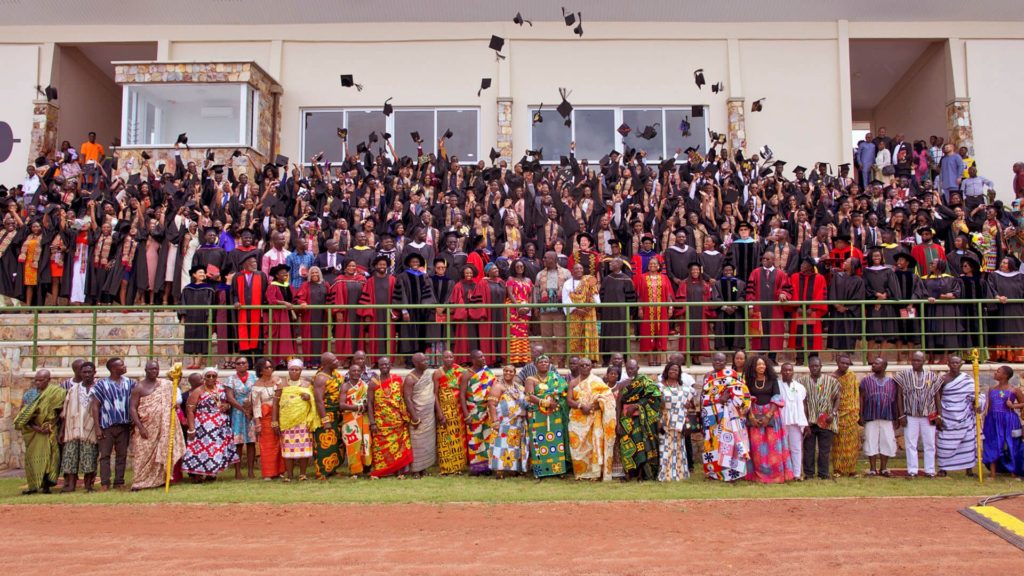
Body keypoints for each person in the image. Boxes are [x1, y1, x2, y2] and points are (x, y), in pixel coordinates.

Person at [128, 360, 184, 490]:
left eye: (156, 369)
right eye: (151, 369)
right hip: (146, 426)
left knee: (163, 450)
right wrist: (140, 427)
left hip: (163, 426)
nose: (154, 371)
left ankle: (159, 480)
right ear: (146, 370)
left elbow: (173, 402)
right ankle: (139, 482)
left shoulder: (166, 385)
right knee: (143, 455)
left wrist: (174, 405)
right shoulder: (139, 387)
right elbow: (132, 408)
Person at [181, 367, 239, 480]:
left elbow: (228, 402)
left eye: (214, 376)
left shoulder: (221, 388)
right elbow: (190, 410)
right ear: (204, 377)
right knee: (200, 450)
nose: (211, 378)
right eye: (208, 376)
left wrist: (227, 406)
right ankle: (196, 475)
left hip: (220, 426)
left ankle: (211, 473)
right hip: (203, 426)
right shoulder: (198, 391)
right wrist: (191, 428)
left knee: (215, 449)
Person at [15, 369, 65, 494]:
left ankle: (46, 486)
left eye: (41, 380)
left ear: (48, 380)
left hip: (50, 431)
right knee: (32, 458)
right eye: (36, 380)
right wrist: (35, 427)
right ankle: (33, 486)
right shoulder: (29, 395)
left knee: (49, 458)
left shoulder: (57, 392)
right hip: (33, 432)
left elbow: (60, 413)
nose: (37, 383)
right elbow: (23, 415)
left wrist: (51, 425)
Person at [700, 356, 750, 482]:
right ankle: (713, 472)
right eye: (715, 360)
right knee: (712, 442)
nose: (718, 362)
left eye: (721, 360)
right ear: (712, 362)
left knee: (728, 443)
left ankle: (731, 473)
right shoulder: (707, 376)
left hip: (728, 415)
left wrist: (728, 396)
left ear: (726, 362)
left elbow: (743, 392)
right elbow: (703, 395)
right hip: (710, 415)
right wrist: (701, 413)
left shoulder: (732, 375)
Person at [744, 355, 793, 483]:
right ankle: (758, 476)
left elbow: (776, 397)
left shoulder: (772, 379)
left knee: (773, 448)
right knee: (757, 448)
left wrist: (768, 415)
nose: (761, 366)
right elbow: (746, 398)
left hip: (771, 415)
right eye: (758, 364)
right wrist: (751, 416)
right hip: (754, 416)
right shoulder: (749, 380)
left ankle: (775, 476)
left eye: (763, 364)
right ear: (753, 367)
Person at [892, 352, 941, 478]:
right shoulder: (903, 375)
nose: (915, 363)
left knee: (930, 443)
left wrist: (939, 415)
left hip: (929, 414)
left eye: (918, 360)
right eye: (913, 360)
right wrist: (901, 415)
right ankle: (912, 471)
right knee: (910, 443)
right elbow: (899, 395)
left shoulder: (932, 376)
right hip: (910, 414)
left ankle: (930, 470)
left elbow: (937, 396)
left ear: (924, 361)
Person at [90, 358, 136, 490]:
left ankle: (119, 482)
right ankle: (105, 483)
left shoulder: (130, 383)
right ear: (113, 369)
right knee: (105, 455)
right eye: (121, 365)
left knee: (122, 455)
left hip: (124, 425)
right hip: (107, 426)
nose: (124, 366)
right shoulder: (101, 385)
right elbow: (95, 407)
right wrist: (97, 427)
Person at [567, 358, 616, 481]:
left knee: (593, 446)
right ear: (578, 367)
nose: (584, 367)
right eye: (582, 365)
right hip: (577, 419)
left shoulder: (597, 381)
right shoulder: (573, 382)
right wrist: (581, 406)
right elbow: (569, 401)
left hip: (594, 418)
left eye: (587, 365)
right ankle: (581, 474)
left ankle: (594, 474)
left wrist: (591, 407)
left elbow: (608, 398)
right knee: (576, 447)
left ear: (591, 367)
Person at [367, 357, 414, 478]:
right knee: (380, 448)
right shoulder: (373, 383)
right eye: (381, 365)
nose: (384, 366)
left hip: (397, 421)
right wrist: (372, 423)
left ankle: (399, 471)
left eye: (386, 364)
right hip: (380, 423)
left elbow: (402, 400)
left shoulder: (397, 379)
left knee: (399, 448)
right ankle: (381, 471)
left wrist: (405, 416)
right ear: (378, 366)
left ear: (390, 365)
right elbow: (370, 404)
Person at [525, 354, 569, 478]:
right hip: (537, 415)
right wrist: (545, 402)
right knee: (538, 441)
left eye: (546, 362)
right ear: (535, 364)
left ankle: (558, 470)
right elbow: (529, 396)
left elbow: (564, 389)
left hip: (554, 413)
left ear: (549, 364)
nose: (544, 364)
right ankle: (541, 471)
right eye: (541, 362)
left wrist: (555, 401)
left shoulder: (555, 377)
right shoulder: (530, 379)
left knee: (556, 440)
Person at [616, 365, 663, 481]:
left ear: (637, 368)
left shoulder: (645, 381)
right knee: (626, 446)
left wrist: (637, 405)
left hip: (641, 419)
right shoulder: (622, 384)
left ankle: (642, 474)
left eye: (632, 368)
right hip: (626, 419)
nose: (630, 370)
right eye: (628, 368)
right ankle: (628, 474)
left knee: (641, 446)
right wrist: (618, 423)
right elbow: (619, 404)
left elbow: (655, 395)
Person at [935, 355, 978, 475]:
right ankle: (943, 469)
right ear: (948, 364)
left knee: (967, 443)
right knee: (944, 443)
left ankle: (969, 470)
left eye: (957, 363)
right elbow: (937, 398)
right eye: (952, 363)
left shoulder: (968, 379)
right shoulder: (942, 379)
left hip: (965, 415)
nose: (955, 365)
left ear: (961, 364)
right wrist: (939, 415)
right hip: (947, 415)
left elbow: (974, 396)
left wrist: (977, 404)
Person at [745, 251, 792, 362]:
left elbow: (787, 289)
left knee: (774, 333)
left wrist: (783, 294)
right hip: (758, 308)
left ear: (773, 260)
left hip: (775, 309)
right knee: (759, 333)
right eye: (763, 258)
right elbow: (750, 291)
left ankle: (772, 358)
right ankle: (760, 358)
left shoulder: (781, 274)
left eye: (767, 259)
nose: (765, 260)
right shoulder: (755, 272)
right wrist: (750, 306)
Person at [274, 362, 317, 481]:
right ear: (288, 370)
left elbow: (313, 401)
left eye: (296, 369)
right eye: (291, 369)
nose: (294, 372)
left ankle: (303, 474)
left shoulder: (307, 384)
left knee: (303, 448)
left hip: (303, 421)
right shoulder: (282, 384)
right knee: (288, 449)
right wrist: (274, 421)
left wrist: (308, 398)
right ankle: (290, 475)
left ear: (301, 371)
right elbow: (276, 404)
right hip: (286, 422)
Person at [799, 356, 840, 480]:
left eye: (816, 366)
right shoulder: (802, 382)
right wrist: (804, 421)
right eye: (812, 366)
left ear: (821, 366)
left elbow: (837, 397)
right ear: (809, 367)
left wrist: (833, 413)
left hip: (826, 421)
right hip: (809, 421)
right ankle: (809, 473)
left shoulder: (831, 381)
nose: (814, 368)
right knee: (808, 449)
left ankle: (823, 473)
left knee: (824, 450)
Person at [914, 259, 962, 364]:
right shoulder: (925, 279)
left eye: (933, 263)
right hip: (931, 309)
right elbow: (921, 292)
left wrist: (950, 295)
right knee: (930, 331)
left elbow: (956, 292)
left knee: (947, 331)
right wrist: (927, 297)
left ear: (940, 265)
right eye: (930, 263)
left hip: (947, 309)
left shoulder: (950, 279)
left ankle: (945, 356)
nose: (930, 264)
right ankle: (931, 356)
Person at [859, 356, 900, 477]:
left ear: (884, 367)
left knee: (887, 441)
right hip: (870, 416)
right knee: (870, 441)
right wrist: (860, 415)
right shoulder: (865, 381)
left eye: (877, 364)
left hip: (887, 416)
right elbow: (861, 399)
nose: (873, 365)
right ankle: (872, 469)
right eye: (873, 363)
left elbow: (895, 401)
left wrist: (897, 417)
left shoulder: (892, 382)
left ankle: (883, 468)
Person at [60, 362, 97, 492]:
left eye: (89, 372)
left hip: (91, 429)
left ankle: (88, 486)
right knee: (70, 457)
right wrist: (62, 431)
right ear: (80, 373)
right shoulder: (73, 390)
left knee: (89, 457)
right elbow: (65, 411)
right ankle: (70, 485)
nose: (87, 375)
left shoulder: (98, 388)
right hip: (72, 429)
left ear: (94, 373)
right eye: (84, 372)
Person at [487, 364, 530, 477]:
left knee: (514, 447)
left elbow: (526, 401)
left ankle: (513, 469)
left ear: (515, 373)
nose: (508, 373)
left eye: (511, 371)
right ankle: (499, 470)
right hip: (503, 423)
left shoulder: (519, 387)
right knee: (500, 445)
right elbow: (491, 404)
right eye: (506, 371)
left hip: (517, 423)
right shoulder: (498, 386)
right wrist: (495, 421)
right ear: (503, 372)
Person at [982, 365, 1024, 478]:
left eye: (998, 371)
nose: (995, 373)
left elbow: (1023, 403)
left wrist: (1013, 406)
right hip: (993, 420)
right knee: (992, 443)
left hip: (1009, 420)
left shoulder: (1014, 390)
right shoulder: (992, 389)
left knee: (1011, 444)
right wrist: (985, 416)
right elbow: (989, 407)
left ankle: (1013, 472)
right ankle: (992, 473)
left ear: (1005, 376)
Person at [394, 253, 436, 363]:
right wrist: (404, 310)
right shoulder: (402, 276)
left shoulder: (424, 276)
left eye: (417, 262)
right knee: (408, 335)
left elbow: (428, 293)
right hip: (409, 312)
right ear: (409, 263)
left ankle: (420, 360)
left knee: (421, 334)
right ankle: (409, 360)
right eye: (413, 262)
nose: (415, 263)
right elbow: (401, 293)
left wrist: (425, 307)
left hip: (421, 312)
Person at [656, 362, 695, 481]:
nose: (673, 372)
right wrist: (658, 420)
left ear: (679, 373)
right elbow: (656, 405)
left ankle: (680, 474)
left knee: (679, 447)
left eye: (676, 370)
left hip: (680, 420)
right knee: (665, 447)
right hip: (665, 420)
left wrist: (688, 406)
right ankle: (665, 474)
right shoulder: (659, 387)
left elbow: (690, 404)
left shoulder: (685, 389)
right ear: (667, 371)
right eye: (671, 369)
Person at [460, 350, 496, 475]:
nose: (483, 358)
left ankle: (487, 467)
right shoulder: (467, 375)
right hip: (474, 411)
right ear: (473, 360)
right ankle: (476, 468)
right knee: (475, 438)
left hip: (487, 410)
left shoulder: (488, 372)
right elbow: (462, 395)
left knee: (487, 438)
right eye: (480, 357)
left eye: (483, 356)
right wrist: (466, 414)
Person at [433, 350, 469, 475]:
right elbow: (435, 394)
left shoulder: (460, 371)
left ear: (454, 358)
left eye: (451, 357)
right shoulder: (438, 373)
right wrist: (439, 412)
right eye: (446, 357)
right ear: (442, 359)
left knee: (457, 437)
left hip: (458, 410)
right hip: (444, 410)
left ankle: (459, 466)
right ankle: (446, 467)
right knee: (445, 437)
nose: (449, 359)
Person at [534, 251, 571, 367]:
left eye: (546, 258)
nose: (544, 260)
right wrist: (536, 307)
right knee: (546, 337)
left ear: (554, 260)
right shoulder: (540, 274)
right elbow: (536, 292)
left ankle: (561, 360)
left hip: (560, 310)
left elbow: (570, 291)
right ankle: (547, 360)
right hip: (545, 309)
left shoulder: (566, 273)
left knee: (561, 336)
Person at [635, 257, 674, 365]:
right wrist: (640, 308)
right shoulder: (642, 277)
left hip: (662, 310)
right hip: (647, 310)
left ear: (658, 266)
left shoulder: (664, 278)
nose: (652, 265)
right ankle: (650, 359)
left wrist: (670, 307)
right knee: (648, 333)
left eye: (654, 263)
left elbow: (669, 294)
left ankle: (659, 359)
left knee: (661, 332)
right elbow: (639, 296)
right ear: (648, 266)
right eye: (650, 263)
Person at [230, 252, 268, 363]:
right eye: (252, 262)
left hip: (257, 312)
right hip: (242, 312)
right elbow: (234, 293)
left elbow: (265, 292)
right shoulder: (237, 276)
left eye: (255, 262)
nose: (255, 264)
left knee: (258, 336)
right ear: (245, 264)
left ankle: (258, 362)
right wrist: (236, 301)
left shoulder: (261, 275)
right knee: (244, 335)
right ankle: (247, 362)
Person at [251, 358, 286, 480]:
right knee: (267, 446)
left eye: (271, 367)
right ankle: (268, 473)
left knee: (279, 444)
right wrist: (258, 424)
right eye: (266, 367)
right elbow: (256, 406)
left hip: (280, 415)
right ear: (260, 371)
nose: (269, 369)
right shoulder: (256, 386)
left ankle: (280, 471)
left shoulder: (278, 380)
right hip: (265, 418)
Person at [788, 259, 828, 365]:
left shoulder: (819, 278)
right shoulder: (795, 277)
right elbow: (792, 292)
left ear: (810, 266)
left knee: (813, 336)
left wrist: (813, 308)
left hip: (813, 313)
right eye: (802, 263)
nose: (802, 265)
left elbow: (821, 294)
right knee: (798, 335)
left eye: (804, 264)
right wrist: (797, 307)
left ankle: (813, 358)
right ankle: (799, 358)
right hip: (799, 312)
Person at [311, 352, 344, 479]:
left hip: (337, 414)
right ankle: (322, 472)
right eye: (334, 360)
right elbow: (319, 400)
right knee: (324, 443)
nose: (337, 361)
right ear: (326, 363)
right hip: (326, 414)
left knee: (335, 444)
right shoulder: (321, 378)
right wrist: (325, 420)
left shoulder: (336, 374)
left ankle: (332, 469)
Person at [676, 262, 715, 365]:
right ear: (690, 271)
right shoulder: (684, 283)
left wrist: (708, 313)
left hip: (700, 313)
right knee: (687, 334)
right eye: (693, 270)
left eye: (697, 270)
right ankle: (686, 356)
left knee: (699, 334)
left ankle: (696, 357)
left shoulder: (704, 284)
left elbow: (708, 299)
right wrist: (682, 312)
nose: (695, 271)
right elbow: (680, 299)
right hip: (688, 313)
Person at [224, 356, 257, 479]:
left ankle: (250, 471)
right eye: (238, 363)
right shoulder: (230, 379)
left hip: (252, 411)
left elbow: (257, 393)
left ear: (248, 364)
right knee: (238, 442)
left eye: (244, 363)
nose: (241, 365)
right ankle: (237, 471)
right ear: (235, 366)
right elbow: (230, 397)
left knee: (251, 442)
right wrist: (243, 410)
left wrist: (251, 409)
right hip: (237, 412)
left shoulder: (254, 377)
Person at [404, 353, 437, 477]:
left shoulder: (428, 375)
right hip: (417, 417)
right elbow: (407, 399)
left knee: (427, 443)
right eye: (423, 360)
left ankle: (423, 468)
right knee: (417, 443)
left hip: (429, 416)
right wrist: (414, 417)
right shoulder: (410, 378)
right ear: (416, 363)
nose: (426, 362)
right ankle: (415, 470)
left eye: (426, 359)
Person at [598, 258, 636, 362]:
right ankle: (606, 360)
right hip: (607, 313)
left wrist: (629, 313)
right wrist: (601, 310)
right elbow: (601, 296)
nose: (610, 263)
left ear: (619, 265)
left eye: (613, 262)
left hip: (621, 314)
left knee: (621, 336)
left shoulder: (626, 280)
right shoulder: (607, 279)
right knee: (607, 334)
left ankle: (624, 358)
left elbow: (631, 299)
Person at [987, 257, 1024, 362]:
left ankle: (1017, 356)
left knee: (1017, 331)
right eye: (1002, 262)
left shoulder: (1020, 277)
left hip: (1017, 309)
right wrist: (997, 297)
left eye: (1005, 263)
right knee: (1001, 330)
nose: (1002, 264)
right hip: (1001, 308)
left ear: (1011, 265)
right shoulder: (994, 275)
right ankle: (1001, 355)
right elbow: (991, 288)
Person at [563, 263, 601, 363]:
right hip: (574, 314)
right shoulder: (567, 284)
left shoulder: (589, 280)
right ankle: (575, 360)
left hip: (589, 314)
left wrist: (587, 308)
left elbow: (596, 299)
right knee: (575, 337)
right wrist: (577, 310)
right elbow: (565, 300)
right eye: (576, 268)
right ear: (572, 271)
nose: (579, 270)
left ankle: (590, 360)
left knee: (589, 336)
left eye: (581, 268)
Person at [179, 265, 216, 369]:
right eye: (200, 272)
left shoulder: (209, 289)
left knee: (201, 339)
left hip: (202, 317)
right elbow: (183, 303)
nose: (202, 274)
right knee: (190, 338)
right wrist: (183, 316)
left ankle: (198, 363)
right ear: (194, 275)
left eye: (203, 272)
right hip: (190, 317)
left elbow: (211, 304)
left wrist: (209, 317)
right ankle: (192, 362)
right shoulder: (187, 289)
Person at [329, 260, 367, 359]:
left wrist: (365, 312)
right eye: (349, 266)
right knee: (343, 334)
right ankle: (345, 358)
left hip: (358, 313)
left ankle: (358, 359)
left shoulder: (362, 279)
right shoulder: (339, 280)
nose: (352, 268)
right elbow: (336, 296)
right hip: (344, 313)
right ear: (345, 267)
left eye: (353, 266)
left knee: (358, 335)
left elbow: (366, 295)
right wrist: (338, 311)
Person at [339, 363, 371, 476]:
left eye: (358, 371)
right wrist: (357, 407)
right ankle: (355, 470)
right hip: (350, 420)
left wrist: (364, 407)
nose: (356, 373)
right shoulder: (345, 386)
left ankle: (366, 468)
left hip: (364, 418)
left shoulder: (365, 385)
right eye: (353, 371)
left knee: (365, 443)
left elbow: (369, 402)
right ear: (349, 372)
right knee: (353, 444)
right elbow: (341, 405)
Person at [831, 354, 861, 477]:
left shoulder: (851, 376)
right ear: (837, 363)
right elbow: (830, 396)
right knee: (838, 444)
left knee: (852, 443)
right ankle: (838, 469)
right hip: (838, 414)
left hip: (851, 414)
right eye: (842, 363)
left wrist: (856, 410)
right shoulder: (832, 378)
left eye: (847, 364)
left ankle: (851, 469)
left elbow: (856, 394)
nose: (845, 365)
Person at [777, 362, 807, 480]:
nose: (787, 372)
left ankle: (796, 474)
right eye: (785, 370)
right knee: (781, 448)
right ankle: (782, 473)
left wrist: (805, 422)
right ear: (781, 372)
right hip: (781, 421)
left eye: (790, 370)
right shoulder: (777, 385)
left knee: (796, 448)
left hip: (796, 421)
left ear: (793, 371)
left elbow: (804, 405)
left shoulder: (800, 387)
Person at [294, 266, 329, 366]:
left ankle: (321, 361)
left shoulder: (325, 284)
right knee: (308, 338)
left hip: (322, 316)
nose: (314, 274)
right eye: (312, 273)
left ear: (320, 274)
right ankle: (308, 361)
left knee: (322, 338)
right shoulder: (305, 285)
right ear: (309, 275)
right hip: (309, 316)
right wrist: (302, 302)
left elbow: (330, 298)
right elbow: (299, 298)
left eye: (316, 272)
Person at [506, 260, 534, 365]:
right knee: (514, 334)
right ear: (514, 268)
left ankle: (523, 359)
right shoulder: (511, 279)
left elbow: (530, 295)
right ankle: (514, 360)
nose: (520, 268)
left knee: (524, 333)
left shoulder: (529, 280)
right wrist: (518, 306)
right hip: (514, 309)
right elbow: (510, 293)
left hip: (525, 309)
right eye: (517, 267)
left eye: (521, 266)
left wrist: (529, 307)